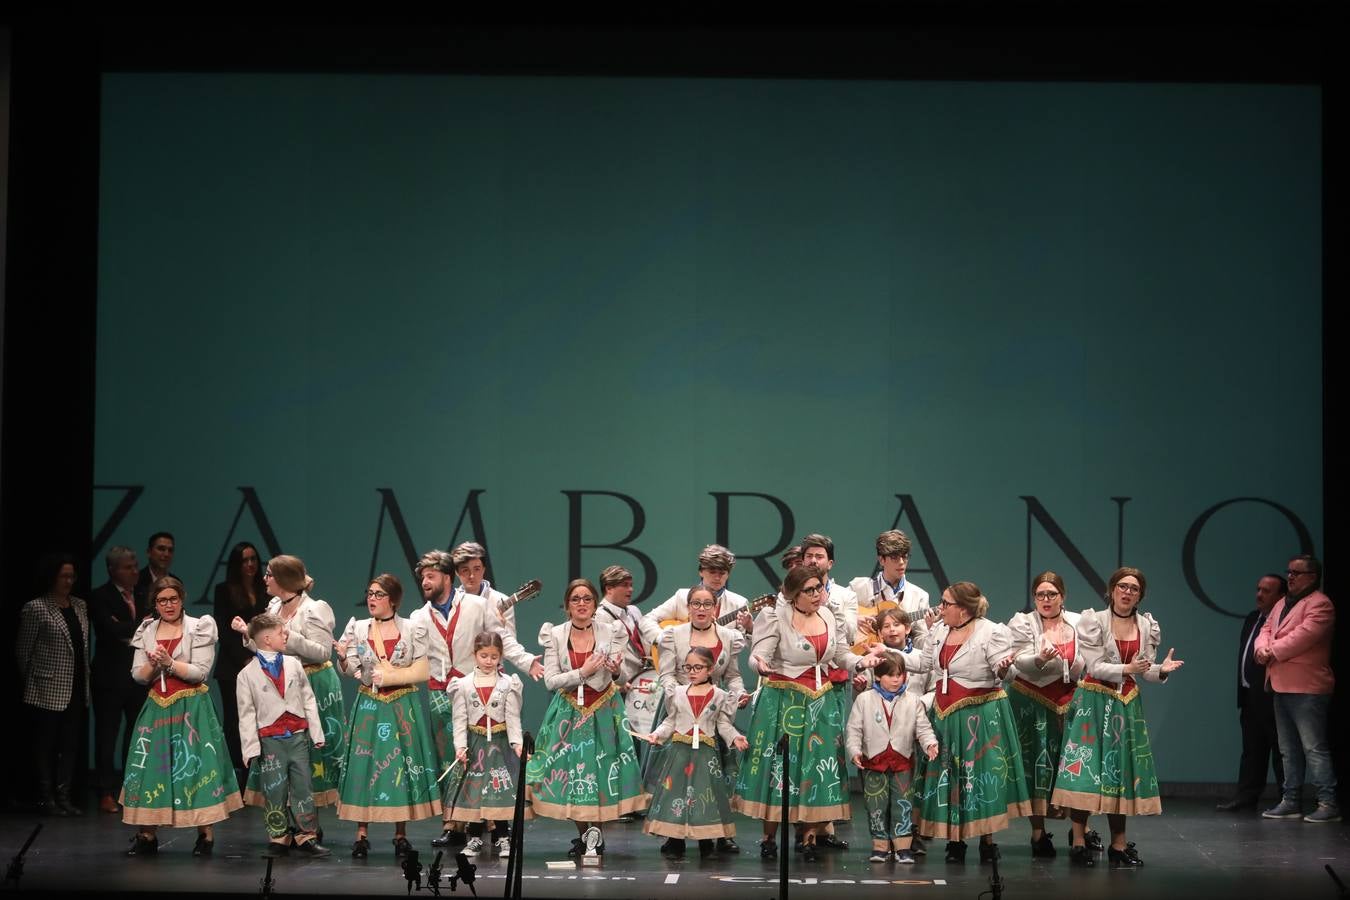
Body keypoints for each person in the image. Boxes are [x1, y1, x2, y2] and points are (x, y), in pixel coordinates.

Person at [734, 565, 883, 861]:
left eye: (819, 588)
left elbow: (840, 654)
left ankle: (810, 837)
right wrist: (761, 666)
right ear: (793, 594)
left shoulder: (828, 615)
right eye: (810, 590)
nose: (818, 594)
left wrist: (861, 663)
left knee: (816, 767)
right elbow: (758, 655)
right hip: (783, 701)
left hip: (821, 702)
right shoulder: (774, 617)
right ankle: (769, 837)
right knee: (781, 768)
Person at [1049, 567, 1184, 868]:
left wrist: (1160, 669)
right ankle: (1079, 840)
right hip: (1094, 702)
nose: (1127, 592)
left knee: (1118, 773)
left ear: (1140, 595)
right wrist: (1130, 670)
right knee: (1085, 770)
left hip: (1125, 705)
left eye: (1134, 589)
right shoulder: (1094, 620)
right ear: (1111, 590)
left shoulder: (1146, 625)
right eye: (1122, 586)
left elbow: (1144, 670)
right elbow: (1095, 667)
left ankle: (1119, 846)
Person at [411, 549, 541, 850]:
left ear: (445, 577)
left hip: (475, 692)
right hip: (439, 693)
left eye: (430, 576)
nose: (425, 582)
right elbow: (410, 650)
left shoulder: (477, 605)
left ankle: (497, 826)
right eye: (422, 578)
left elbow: (501, 639)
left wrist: (525, 661)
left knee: (489, 758)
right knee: (452, 758)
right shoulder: (420, 616)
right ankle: (455, 825)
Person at [526, 578, 649, 858]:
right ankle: (584, 834)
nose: (581, 604)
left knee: (603, 770)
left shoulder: (611, 631)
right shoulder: (555, 634)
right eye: (575, 599)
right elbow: (550, 681)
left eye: (587, 599)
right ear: (567, 606)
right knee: (574, 773)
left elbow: (622, 675)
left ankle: (597, 835)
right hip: (569, 710)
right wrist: (582, 672)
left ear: (595, 604)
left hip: (605, 707)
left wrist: (616, 672)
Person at [911, 581, 1032, 864]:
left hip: (981, 715)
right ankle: (956, 841)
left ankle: (987, 841)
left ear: (963, 610)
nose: (941, 609)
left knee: (980, 777)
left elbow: (1006, 671)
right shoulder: (940, 630)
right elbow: (924, 664)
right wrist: (889, 655)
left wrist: (1004, 667)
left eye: (946, 603)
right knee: (953, 776)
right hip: (946, 714)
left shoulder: (991, 631)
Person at [121, 576, 243, 855]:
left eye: (173, 599)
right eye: (162, 600)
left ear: (182, 599)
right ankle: (148, 835)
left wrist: (170, 663)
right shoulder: (147, 629)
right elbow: (138, 676)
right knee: (151, 767)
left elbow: (201, 672)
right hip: (158, 706)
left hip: (191, 707)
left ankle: (205, 834)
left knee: (198, 766)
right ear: (155, 603)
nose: (168, 605)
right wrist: (153, 667)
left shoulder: (199, 626)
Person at [335, 574, 442, 859]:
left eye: (379, 594)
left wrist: (394, 675)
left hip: (400, 703)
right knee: (364, 761)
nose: (372, 598)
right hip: (369, 702)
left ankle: (400, 833)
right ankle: (361, 833)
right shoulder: (357, 628)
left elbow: (422, 668)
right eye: (370, 593)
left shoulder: (411, 628)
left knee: (401, 763)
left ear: (393, 600)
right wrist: (344, 658)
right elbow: (351, 670)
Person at [232, 555, 347, 814]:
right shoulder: (273, 606)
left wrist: (289, 635)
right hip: (281, 681)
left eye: (270, 574)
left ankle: (309, 819)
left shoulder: (315, 608)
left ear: (283, 579)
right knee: (282, 749)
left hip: (314, 682)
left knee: (310, 752)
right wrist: (247, 635)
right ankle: (285, 816)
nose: (265, 578)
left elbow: (322, 652)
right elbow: (266, 645)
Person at [645, 584, 750, 854]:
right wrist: (677, 695)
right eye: (696, 604)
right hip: (682, 709)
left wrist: (737, 694)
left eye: (707, 604)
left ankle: (716, 831)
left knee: (714, 781)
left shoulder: (728, 636)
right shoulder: (674, 635)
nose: (701, 609)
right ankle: (674, 832)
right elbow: (666, 673)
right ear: (688, 606)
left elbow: (734, 675)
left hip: (715, 710)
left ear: (715, 608)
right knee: (677, 780)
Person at [1005, 571, 1088, 858]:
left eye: (1051, 594)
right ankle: (1038, 833)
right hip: (1030, 700)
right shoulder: (1023, 623)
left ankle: (1080, 835)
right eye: (1040, 594)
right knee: (1035, 766)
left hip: (1069, 700)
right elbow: (1017, 663)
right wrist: (1040, 659)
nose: (1045, 600)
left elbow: (1087, 661)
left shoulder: (1079, 623)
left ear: (1062, 596)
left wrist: (1074, 665)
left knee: (1075, 766)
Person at [236, 613, 331, 858]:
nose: (285, 636)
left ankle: (306, 835)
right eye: (281, 633)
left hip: (297, 736)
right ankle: (278, 836)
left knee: (303, 786)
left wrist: (316, 732)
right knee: (274, 790)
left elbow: (308, 699)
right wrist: (250, 748)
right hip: (271, 740)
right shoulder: (246, 674)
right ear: (267, 639)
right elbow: (246, 714)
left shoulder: (293, 664)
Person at [1255, 555, 1339, 823]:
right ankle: (1290, 801)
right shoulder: (1282, 603)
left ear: (1312, 577)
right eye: (1289, 572)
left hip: (1308, 687)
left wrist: (1271, 652)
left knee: (1313, 748)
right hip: (1281, 684)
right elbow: (1266, 628)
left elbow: (1303, 637)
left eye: (1297, 573)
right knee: (1287, 749)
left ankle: (1328, 803)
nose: (1290, 577)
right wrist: (1261, 648)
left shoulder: (1321, 605)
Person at [16, 553, 91, 816]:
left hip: (77, 686)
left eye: (72, 576)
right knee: (45, 744)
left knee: (70, 744)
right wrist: (34, 681)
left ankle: (64, 795)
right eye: (64, 576)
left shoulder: (80, 606)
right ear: (52, 577)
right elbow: (24, 652)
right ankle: (46, 797)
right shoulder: (36, 608)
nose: (69, 581)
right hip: (46, 687)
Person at [846, 651, 938, 865]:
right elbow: (853, 730)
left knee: (903, 804)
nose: (896, 679)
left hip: (902, 761)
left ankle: (903, 847)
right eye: (890, 675)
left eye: (900, 674)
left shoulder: (913, 700)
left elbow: (923, 728)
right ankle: (880, 846)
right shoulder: (864, 699)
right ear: (878, 676)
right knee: (875, 805)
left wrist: (929, 743)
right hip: (873, 761)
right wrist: (854, 751)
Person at [441, 632, 526, 857]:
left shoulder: (508, 684)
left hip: (500, 746)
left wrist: (517, 744)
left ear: (500, 657)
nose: (488, 661)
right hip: (475, 744)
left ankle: (503, 837)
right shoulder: (463, 685)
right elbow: (459, 719)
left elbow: (513, 718)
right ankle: (475, 837)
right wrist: (460, 747)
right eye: (484, 655)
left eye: (494, 656)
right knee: (475, 791)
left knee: (499, 790)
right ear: (475, 655)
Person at [1216, 573, 1287, 812]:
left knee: (1279, 749)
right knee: (1252, 750)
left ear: (1280, 596)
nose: (1259, 594)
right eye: (1258, 589)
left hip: (1272, 694)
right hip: (1249, 695)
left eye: (1266, 591)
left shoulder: (1283, 621)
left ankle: (1286, 798)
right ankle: (1246, 796)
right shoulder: (1253, 618)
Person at [90, 546, 150, 814]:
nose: (135, 571)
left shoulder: (142, 593)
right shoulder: (100, 596)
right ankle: (105, 791)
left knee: (135, 735)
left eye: (136, 565)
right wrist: (138, 626)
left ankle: (131, 787)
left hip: (137, 675)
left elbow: (152, 625)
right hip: (109, 677)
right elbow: (110, 629)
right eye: (128, 567)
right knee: (107, 735)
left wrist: (129, 630)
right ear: (113, 570)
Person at [213, 542, 270, 788]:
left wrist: (260, 656)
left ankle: (257, 775)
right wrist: (245, 658)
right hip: (233, 666)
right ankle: (237, 773)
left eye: (254, 559)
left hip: (262, 662)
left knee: (262, 719)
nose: (250, 565)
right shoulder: (224, 590)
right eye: (245, 560)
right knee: (236, 721)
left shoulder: (265, 590)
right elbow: (224, 631)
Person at [640, 544, 754, 646]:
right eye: (712, 572)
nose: (717, 577)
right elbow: (646, 620)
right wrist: (662, 639)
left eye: (722, 573)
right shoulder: (682, 596)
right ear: (701, 571)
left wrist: (749, 628)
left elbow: (747, 644)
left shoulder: (739, 603)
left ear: (728, 574)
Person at [848, 530, 932, 653]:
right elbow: (834, 613)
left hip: (901, 663)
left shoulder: (920, 596)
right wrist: (854, 618)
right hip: (865, 659)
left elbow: (919, 641)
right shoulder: (859, 587)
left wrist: (931, 632)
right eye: (894, 557)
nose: (901, 562)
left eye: (905, 556)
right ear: (881, 560)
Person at [133, 532, 178, 608]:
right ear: (149, 552)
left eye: (170, 550)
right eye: (161, 549)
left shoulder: (176, 582)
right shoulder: (135, 580)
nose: (166, 554)